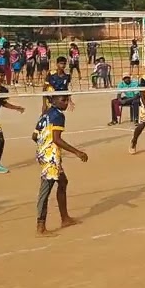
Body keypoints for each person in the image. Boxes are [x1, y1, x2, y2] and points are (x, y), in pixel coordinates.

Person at [34, 93, 88, 235]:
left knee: (63, 182)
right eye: (63, 100)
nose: (66, 103)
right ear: (54, 100)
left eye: (67, 100)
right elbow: (57, 139)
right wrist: (77, 152)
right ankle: (41, 227)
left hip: (44, 153)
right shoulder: (58, 116)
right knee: (45, 190)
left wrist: (44, 145)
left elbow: (34, 136)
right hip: (50, 157)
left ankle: (65, 218)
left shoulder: (45, 114)